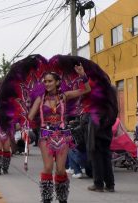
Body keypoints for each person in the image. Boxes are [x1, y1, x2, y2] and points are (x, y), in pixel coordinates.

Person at [28, 64, 91, 203]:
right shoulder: (41, 99)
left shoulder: (64, 96)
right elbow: (30, 117)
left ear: (57, 82)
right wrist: (26, 123)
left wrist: (82, 75)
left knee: (61, 170)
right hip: (46, 135)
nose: (47, 83)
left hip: (62, 135)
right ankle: (46, 198)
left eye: (50, 81)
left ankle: (62, 198)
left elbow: (86, 89)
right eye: (45, 81)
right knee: (48, 167)